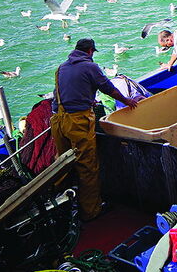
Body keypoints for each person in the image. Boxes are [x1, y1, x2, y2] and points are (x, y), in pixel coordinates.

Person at [51, 38, 141, 221]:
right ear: (90, 51)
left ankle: (58, 206)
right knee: (88, 167)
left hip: (58, 121)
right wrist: (128, 101)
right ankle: (91, 211)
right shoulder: (90, 67)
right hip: (77, 122)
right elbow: (109, 89)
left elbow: (58, 96)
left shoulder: (61, 68)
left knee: (63, 164)